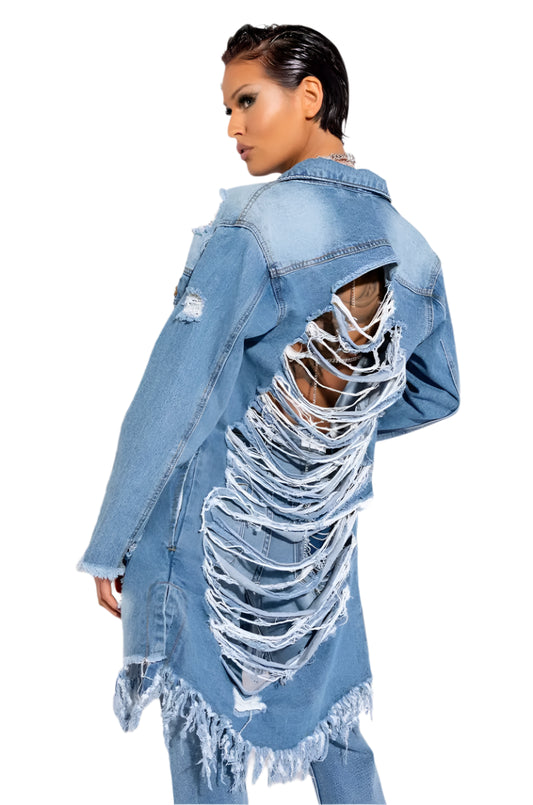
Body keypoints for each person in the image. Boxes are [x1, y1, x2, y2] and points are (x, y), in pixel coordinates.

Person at [76, 23, 460, 805]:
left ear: (309, 96)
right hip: (318, 553)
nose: (232, 127)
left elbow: (176, 392)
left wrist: (112, 539)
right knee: (336, 737)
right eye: (227, 108)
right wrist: (323, 440)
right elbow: (433, 391)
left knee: (206, 747)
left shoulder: (254, 227)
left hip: (205, 537)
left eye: (246, 101)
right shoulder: (414, 252)